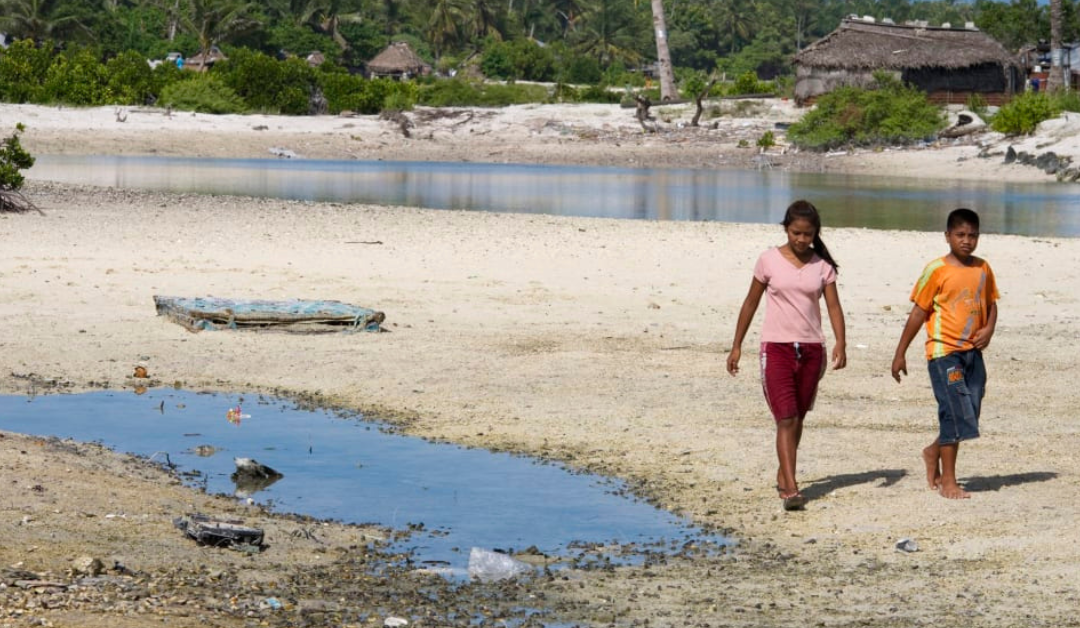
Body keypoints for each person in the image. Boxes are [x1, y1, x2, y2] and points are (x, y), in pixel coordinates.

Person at [726, 200, 847, 511]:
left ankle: (784, 472)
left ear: (816, 234)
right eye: (796, 233)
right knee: (786, 417)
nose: (801, 240)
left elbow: (833, 306)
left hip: (811, 350)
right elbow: (750, 302)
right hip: (775, 348)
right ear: (786, 229)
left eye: (807, 235)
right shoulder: (768, 260)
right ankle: (791, 489)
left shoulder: (823, 267)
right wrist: (737, 345)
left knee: (799, 417)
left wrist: (840, 343)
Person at [891, 208, 999, 500]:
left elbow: (991, 304)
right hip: (944, 353)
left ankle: (932, 451)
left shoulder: (983, 269)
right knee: (954, 411)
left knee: (971, 411)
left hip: (973, 353)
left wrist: (988, 329)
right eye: (960, 235)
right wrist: (900, 353)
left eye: (972, 235)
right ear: (947, 236)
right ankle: (948, 481)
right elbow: (918, 312)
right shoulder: (936, 270)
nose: (966, 241)